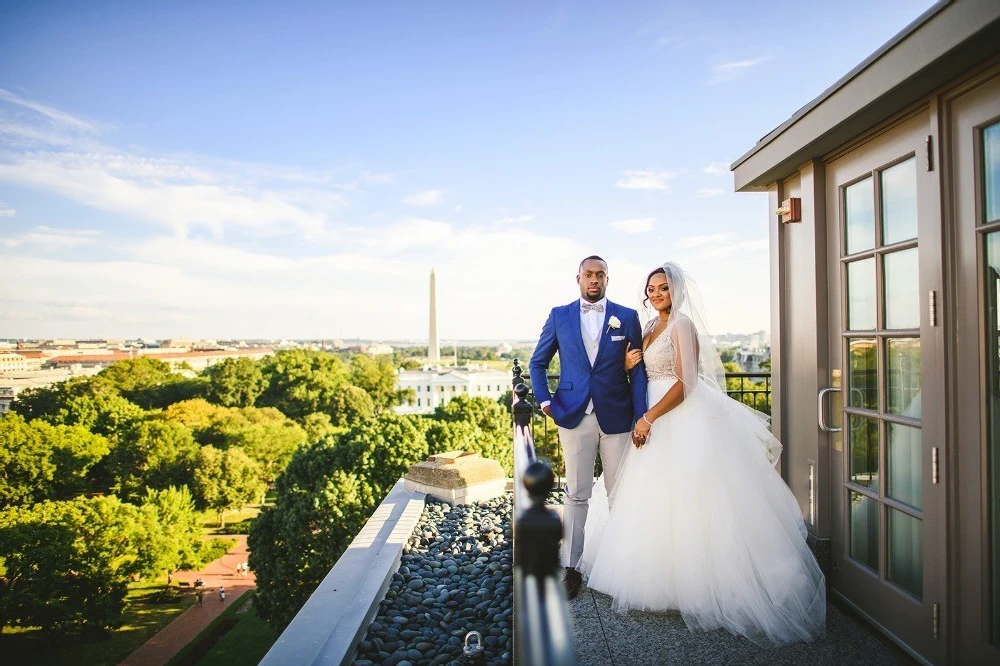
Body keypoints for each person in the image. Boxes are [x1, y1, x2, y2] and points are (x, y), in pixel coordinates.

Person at [579, 262, 825, 645]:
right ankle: (662, 576)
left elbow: (688, 382)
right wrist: (631, 364)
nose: (657, 293)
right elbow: (644, 372)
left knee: (695, 498)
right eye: (652, 288)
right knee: (655, 499)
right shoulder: (648, 327)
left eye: (663, 287)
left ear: (676, 291)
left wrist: (649, 417)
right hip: (650, 413)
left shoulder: (682, 325)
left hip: (676, 415)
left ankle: (704, 583)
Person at [529, 255, 648, 599]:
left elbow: (637, 371)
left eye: (600, 275)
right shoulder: (559, 315)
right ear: (578, 278)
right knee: (577, 493)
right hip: (573, 415)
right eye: (588, 274)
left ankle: (624, 565)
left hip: (617, 416)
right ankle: (572, 568)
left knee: (619, 493)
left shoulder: (626, 317)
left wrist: (640, 415)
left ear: (608, 279)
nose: (594, 279)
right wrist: (546, 401)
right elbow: (537, 363)